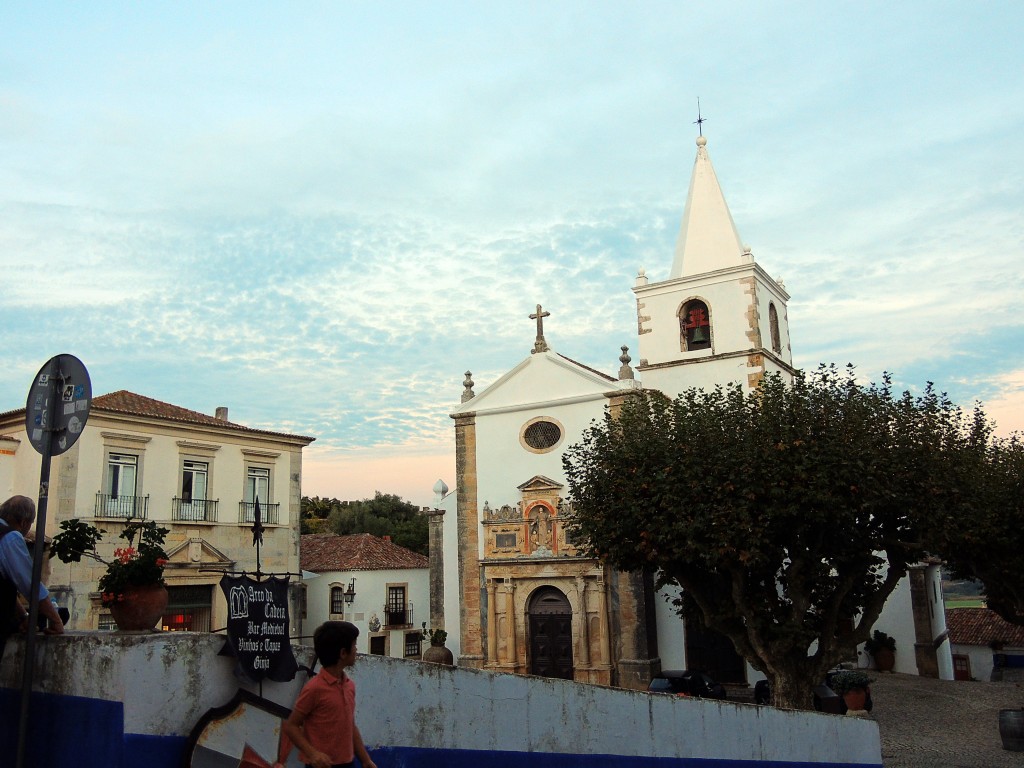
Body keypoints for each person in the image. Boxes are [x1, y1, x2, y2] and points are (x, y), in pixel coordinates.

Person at [278, 621, 376, 768]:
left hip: (347, 764)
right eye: (354, 645)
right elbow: (291, 726)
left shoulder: (349, 685)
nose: (356, 649)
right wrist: (313, 754)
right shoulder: (314, 688)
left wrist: (365, 760)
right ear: (343, 653)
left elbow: (350, 726)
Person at [0, 495, 65, 659]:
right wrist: (56, 621)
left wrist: (23, 615)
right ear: (23, 522)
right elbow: (30, 584)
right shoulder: (10, 538)